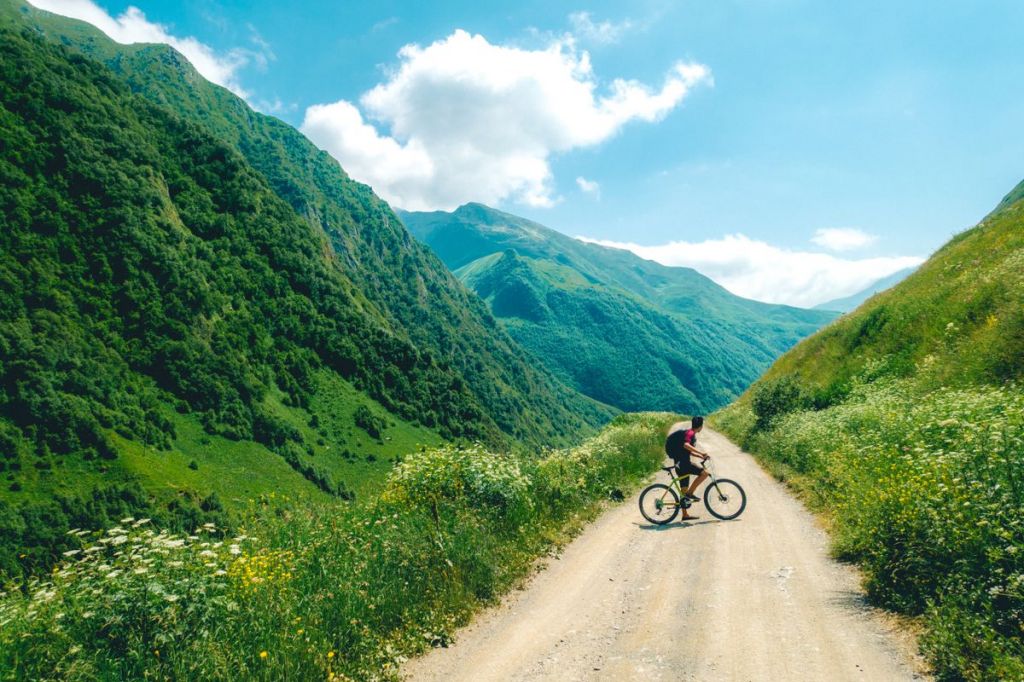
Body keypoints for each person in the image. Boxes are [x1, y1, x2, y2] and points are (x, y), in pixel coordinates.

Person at [664, 416, 711, 520]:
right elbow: (686, 445)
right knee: (705, 473)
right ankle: (690, 493)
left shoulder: (689, 433)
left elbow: (687, 451)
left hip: (680, 464)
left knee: (683, 492)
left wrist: (700, 456)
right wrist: (702, 452)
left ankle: (685, 515)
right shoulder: (690, 433)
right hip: (683, 464)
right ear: (700, 426)